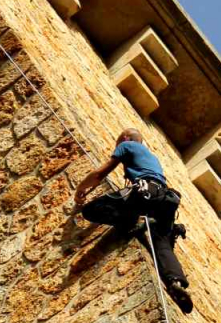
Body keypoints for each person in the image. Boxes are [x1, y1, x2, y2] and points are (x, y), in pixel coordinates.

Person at [74, 128, 192, 313]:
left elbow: (100, 173)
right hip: (166, 200)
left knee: (91, 210)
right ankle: (175, 282)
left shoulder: (127, 145)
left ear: (126, 138)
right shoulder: (152, 157)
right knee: (162, 243)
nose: (118, 145)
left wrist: (81, 189)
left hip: (144, 194)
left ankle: (130, 223)